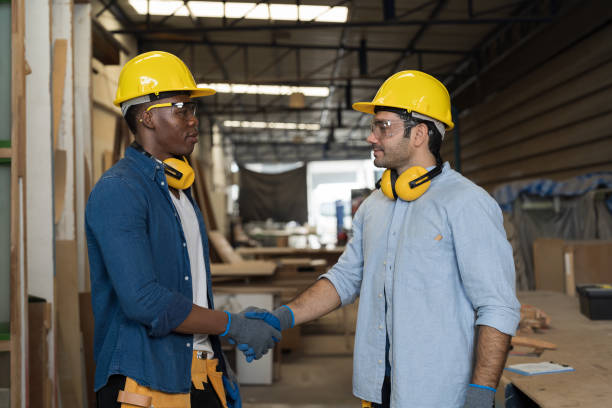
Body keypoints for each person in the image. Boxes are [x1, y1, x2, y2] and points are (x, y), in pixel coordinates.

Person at [249, 70, 521, 407]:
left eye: (384, 127)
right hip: (377, 390)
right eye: (373, 126)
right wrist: (282, 317)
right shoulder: (375, 205)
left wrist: (481, 392)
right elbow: (346, 278)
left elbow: (497, 306)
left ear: (420, 134)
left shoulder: (466, 204)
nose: (371, 137)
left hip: (439, 394)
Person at [85, 51, 280, 408]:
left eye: (194, 110)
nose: (194, 121)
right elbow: (144, 301)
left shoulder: (179, 190)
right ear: (147, 116)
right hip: (145, 382)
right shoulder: (120, 191)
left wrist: (217, 360)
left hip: (199, 372)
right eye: (182, 109)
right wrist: (231, 325)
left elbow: (189, 291)